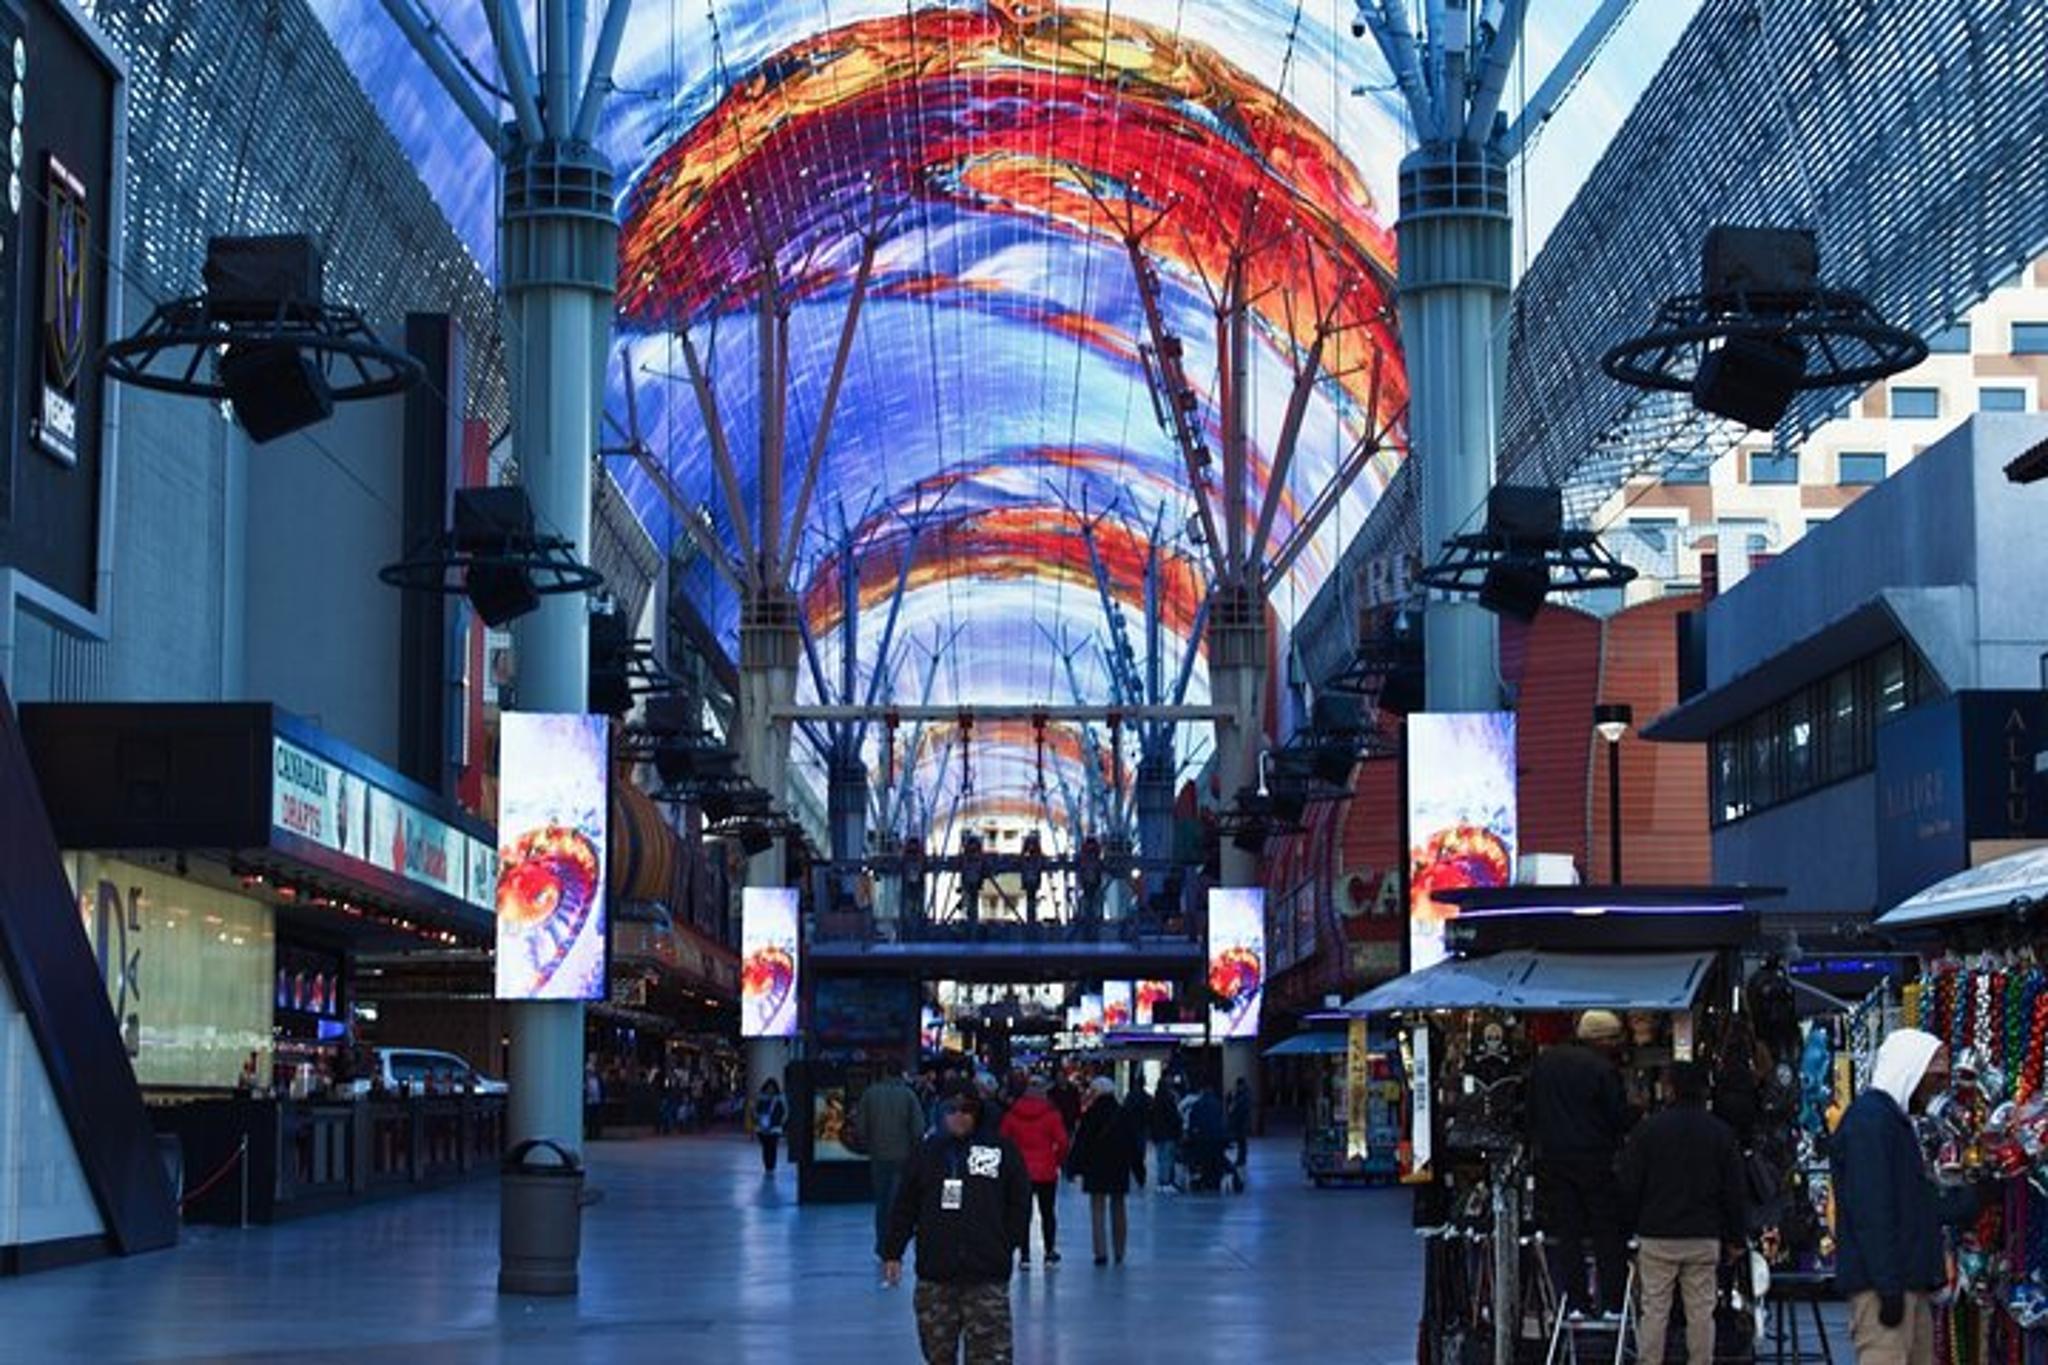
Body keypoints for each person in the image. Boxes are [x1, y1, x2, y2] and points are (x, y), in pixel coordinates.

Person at [1834, 1029, 1978, 1365]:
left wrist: (1968, 1201)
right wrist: (1887, 1287)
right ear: (1910, 1070)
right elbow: (1872, 1209)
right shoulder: (1871, 1123)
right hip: (1887, 1285)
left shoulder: (1888, 1122)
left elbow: (1910, 1204)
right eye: (1933, 1079)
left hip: (1904, 1282)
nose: (1936, 1091)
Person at [882, 1094, 1031, 1364]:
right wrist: (893, 1251)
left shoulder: (1001, 1151)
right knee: (938, 1353)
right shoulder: (926, 1153)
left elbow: (1019, 1199)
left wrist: (1007, 1242)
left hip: (986, 1274)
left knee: (990, 1356)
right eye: (952, 1109)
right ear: (941, 1112)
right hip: (937, 1273)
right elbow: (905, 1204)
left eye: (967, 1110)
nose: (959, 1116)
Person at [1616, 1061, 1749, 1363]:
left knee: (1654, 1309)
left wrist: (1627, 1228)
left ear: (1670, 1089)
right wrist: (1735, 1237)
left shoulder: (1648, 1131)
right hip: (1703, 1234)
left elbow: (1630, 1185)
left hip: (1657, 1233)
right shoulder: (1720, 1133)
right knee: (1701, 1312)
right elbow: (1733, 1191)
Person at [1527, 1010, 1632, 1318]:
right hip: (1595, 1157)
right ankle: (1612, 1302)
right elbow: (1617, 1116)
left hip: (1554, 1158)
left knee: (1568, 1232)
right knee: (1606, 1232)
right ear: (1603, 1040)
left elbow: (1531, 1110)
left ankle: (1575, 1302)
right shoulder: (1602, 1068)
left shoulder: (1545, 1063)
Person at [1065, 1077, 1145, 1265]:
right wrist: (1139, 1170)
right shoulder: (1123, 1114)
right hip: (1119, 1166)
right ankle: (1120, 1251)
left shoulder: (1091, 1114)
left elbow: (1081, 1144)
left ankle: (1100, 1252)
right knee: (1119, 1207)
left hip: (1096, 1168)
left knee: (1097, 1209)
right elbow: (1133, 1144)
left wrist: (1073, 1167)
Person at [858, 1071, 933, 1262]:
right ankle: (895, 1246)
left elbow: (861, 1126)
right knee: (898, 1203)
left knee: (882, 1203)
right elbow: (918, 1127)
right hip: (903, 1157)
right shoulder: (908, 1095)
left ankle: (882, 1246)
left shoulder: (870, 1094)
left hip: (879, 1156)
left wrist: (868, 1145)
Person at [999, 1076, 1070, 1266]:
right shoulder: (1051, 1115)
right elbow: (1062, 1142)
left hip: (1021, 1171)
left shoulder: (1012, 1114)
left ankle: (1024, 1255)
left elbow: (1003, 1141)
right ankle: (1049, 1252)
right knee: (1048, 1212)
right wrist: (1057, 1161)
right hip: (1046, 1169)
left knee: (1023, 1213)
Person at [1149, 1080, 1184, 1193]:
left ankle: (1161, 1182)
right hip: (1168, 1134)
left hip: (1158, 1134)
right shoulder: (1169, 1100)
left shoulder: (1155, 1101)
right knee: (1167, 1158)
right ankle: (1166, 1182)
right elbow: (1174, 1117)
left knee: (1160, 1159)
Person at [755, 1078, 789, 1175]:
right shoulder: (761, 1097)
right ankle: (767, 1165)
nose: (770, 1090)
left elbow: (785, 1112)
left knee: (772, 1147)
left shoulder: (780, 1098)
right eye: (769, 1088)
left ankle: (771, 1167)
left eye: (772, 1088)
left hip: (775, 1128)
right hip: (762, 1127)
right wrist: (758, 1118)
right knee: (766, 1147)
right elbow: (756, 1111)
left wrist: (782, 1122)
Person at [1227, 1077, 1254, 1174]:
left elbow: (1238, 1108)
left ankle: (1241, 1159)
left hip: (1241, 1122)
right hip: (1240, 1122)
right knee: (1241, 1142)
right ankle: (1241, 1159)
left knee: (1242, 1142)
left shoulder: (1244, 1096)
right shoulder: (1243, 1094)